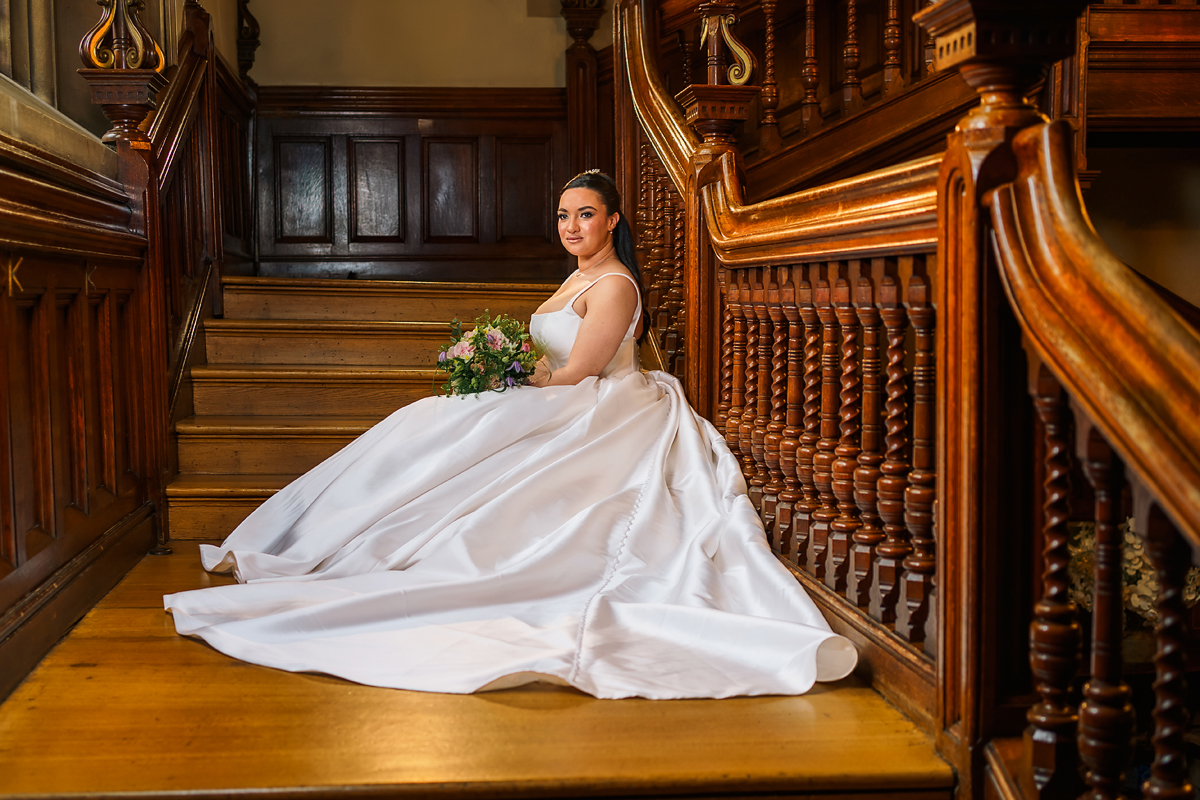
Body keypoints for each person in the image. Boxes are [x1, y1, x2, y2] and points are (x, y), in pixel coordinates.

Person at [164, 171, 857, 700]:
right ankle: (327, 540)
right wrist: (497, 367)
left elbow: (582, 369)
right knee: (427, 422)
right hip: (562, 391)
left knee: (441, 426)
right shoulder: (576, 277)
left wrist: (508, 387)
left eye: (586, 214)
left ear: (613, 220)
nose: (572, 225)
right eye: (564, 215)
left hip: (600, 403)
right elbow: (551, 357)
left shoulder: (613, 285)